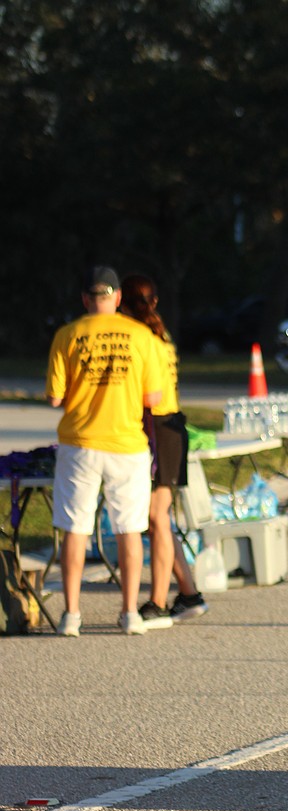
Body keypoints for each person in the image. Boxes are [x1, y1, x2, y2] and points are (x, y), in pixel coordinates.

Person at [46, 265, 162, 636]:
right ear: (116, 297)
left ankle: (71, 615)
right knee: (129, 529)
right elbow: (154, 397)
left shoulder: (67, 334)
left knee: (75, 528)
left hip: (79, 443)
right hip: (127, 445)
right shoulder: (141, 335)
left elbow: (54, 397)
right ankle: (129, 613)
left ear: (85, 298)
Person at [119, 274, 208, 625]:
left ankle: (156, 601)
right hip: (169, 427)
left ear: (124, 305)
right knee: (161, 519)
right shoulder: (159, 331)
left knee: (157, 517)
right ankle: (189, 593)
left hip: (160, 428)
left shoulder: (141, 337)